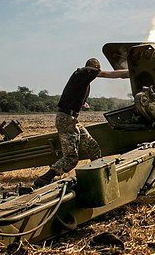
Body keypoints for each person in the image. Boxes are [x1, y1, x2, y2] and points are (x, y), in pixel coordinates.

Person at [32, 57, 129, 189]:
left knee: (92, 147)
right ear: (94, 68)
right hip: (66, 119)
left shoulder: (83, 82)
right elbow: (108, 74)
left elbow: (74, 96)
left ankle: (101, 177)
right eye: (97, 70)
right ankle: (43, 180)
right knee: (71, 158)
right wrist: (130, 72)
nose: (97, 72)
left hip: (71, 119)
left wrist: (83, 104)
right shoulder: (83, 72)